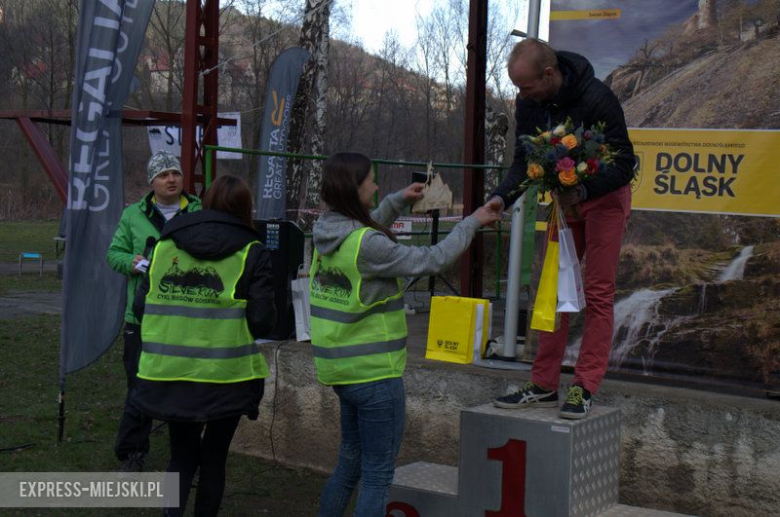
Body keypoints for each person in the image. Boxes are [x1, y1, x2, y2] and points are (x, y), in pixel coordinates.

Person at [310, 152, 501, 517]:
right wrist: (471, 222)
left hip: (341, 371)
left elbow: (367, 231)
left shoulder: (327, 232)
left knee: (348, 466)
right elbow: (432, 259)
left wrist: (397, 201)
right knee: (378, 476)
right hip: (376, 375)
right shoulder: (367, 245)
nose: (377, 185)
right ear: (355, 188)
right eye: (371, 180)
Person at [489, 39, 635, 419]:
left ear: (549, 74)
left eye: (525, 86)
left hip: (604, 200)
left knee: (599, 292)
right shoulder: (529, 104)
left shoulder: (597, 97)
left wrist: (583, 190)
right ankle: (543, 384)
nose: (521, 95)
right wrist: (501, 198)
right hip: (563, 203)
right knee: (551, 289)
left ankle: (584, 386)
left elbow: (624, 163)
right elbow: (523, 160)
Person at [131, 175, 276, 517]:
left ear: (206, 202)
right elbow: (262, 321)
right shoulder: (252, 251)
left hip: (169, 373)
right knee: (213, 458)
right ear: (246, 209)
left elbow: (140, 307)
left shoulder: (165, 245)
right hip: (225, 375)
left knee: (180, 456)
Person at [106, 151, 201, 471]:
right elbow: (114, 254)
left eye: (175, 172)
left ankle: (187, 451)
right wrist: (130, 262)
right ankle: (133, 453)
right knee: (139, 385)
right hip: (142, 317)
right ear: (152, 182)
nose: (171, 179)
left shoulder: (199, 211)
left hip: (186, 314)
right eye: (163, 175)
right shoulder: (133, 214)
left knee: (186, 384)